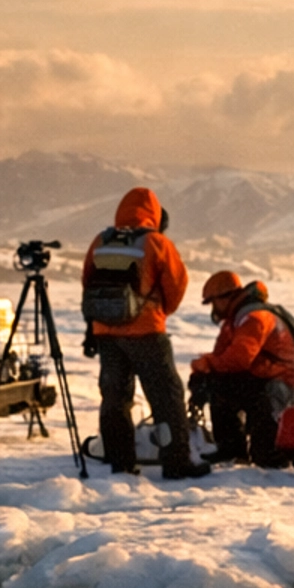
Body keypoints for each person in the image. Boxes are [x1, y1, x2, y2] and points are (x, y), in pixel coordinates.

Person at [80, 186, 197, 479]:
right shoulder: (156, 243)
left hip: (106, 333)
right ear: (155, 214)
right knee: (166, 398)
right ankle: (176, 463)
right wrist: (157, 312)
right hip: (146, 332)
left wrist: (101, 324)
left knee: (115, 399)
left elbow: (87, 281)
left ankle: (121, 465)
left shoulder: (100, 241)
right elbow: (176, 285)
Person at [189, 272, 294, 467]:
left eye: (213, 302)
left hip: (279, 383)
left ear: (225, 298)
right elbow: (222, 357)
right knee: (214, 384)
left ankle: (266, 451)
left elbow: (239, 358)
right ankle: (231, 449)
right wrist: (202, 374)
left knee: (266, 457)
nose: (213, 309)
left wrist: (207, 364)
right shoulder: (234, 322)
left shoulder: (254, 318)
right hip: (261, 379)